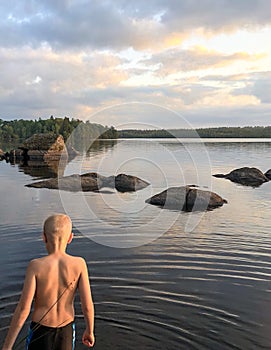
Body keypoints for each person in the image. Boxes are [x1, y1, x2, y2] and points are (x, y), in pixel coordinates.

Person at [2, 214, 95, 350]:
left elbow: (23, 309)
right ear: (70, 238)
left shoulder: (35, 266)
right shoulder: (79, 264)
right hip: (66, 332)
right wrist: (89, 330)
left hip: (40, 332)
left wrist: (7, 346)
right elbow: (87, 305)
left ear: (43, 237)